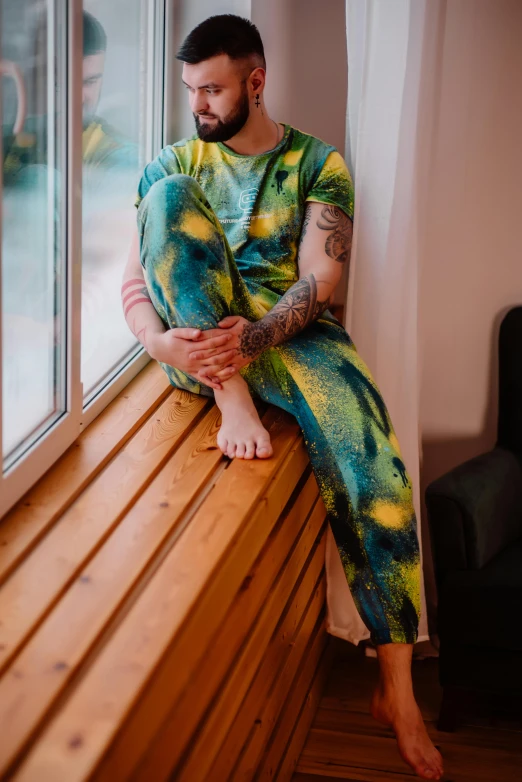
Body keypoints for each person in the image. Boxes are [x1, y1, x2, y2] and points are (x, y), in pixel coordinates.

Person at [121, 14, 444, 781]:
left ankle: (396, 691)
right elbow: (137, 283)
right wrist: (160, 343)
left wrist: (256, 336)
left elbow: (319, 282)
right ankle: (233, 404)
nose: (198, 104)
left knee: (377, 469)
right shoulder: (173, 162)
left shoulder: (317, 163)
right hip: (202, 353)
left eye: (212, 89)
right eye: (191, 89)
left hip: (285, 336)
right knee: (167, 200)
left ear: (255, 82)